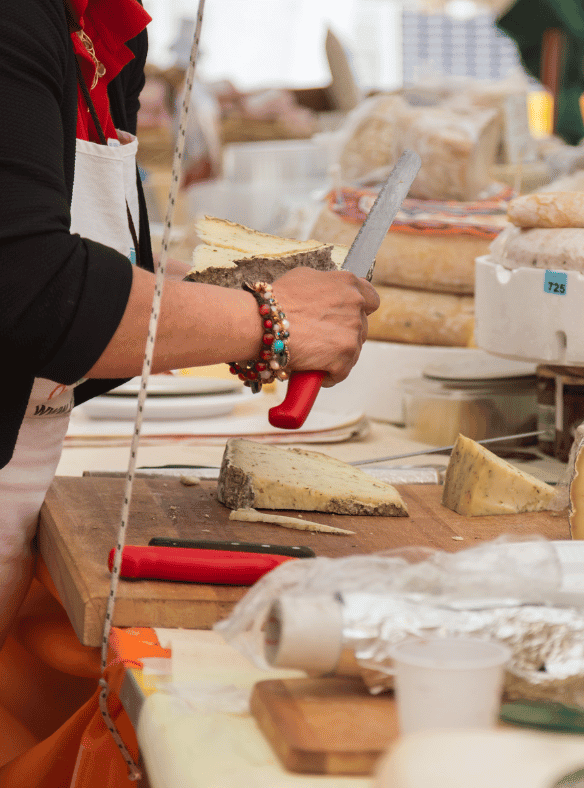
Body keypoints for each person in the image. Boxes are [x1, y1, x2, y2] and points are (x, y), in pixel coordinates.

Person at [0, 0, 379, 753]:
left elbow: (103, 276)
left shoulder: (106, 30)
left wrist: (228, 308)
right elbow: (32, 286)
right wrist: (266, 319)